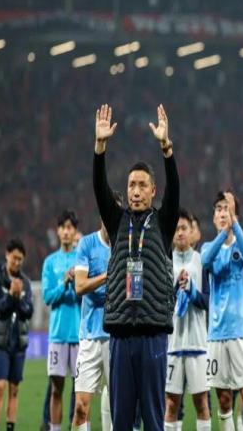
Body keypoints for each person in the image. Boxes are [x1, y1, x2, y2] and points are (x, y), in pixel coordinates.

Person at [93, 104, 179, 431]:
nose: (136, 191)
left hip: (153, 335)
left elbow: (175, 189)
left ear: (153, 190)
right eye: (131, 185)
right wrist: (100, 148)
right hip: (120, 336)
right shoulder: (117, 222)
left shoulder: (164, 223)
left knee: (155, 422)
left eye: (143, 185)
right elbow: (99, 189)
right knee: (121, 422)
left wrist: (166, 149)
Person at [201, 191, 243, 431]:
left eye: (227, 208)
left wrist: (234, 225)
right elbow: (205, 261)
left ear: (234, 214)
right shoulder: (209, 247)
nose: (222, 213)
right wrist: (224, 232)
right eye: (218, 208)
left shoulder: (242, 245)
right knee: (224, 400)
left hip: (240, 332)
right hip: (217, 334)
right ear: (213, 216)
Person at [72, 195, 122, 431]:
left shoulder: (127, 246)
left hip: (117, 337)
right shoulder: (87, 244)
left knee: (119, 406)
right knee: (81, 407)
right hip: (90, 337)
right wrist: (107, 276)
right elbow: (80, 286)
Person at [164, 209, 210, 431]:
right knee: (171, 404)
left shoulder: (202, 262)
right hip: (172, 344)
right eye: (176, 229)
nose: (180, 233)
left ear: (192, 231)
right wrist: (175, 287)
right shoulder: (165, 263)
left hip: (198, 344)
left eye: (184, 228)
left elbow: (208, 301)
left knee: (201, 403)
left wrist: (191, 290)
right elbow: (161, 303)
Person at [0, 238, 34, 431]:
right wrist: (11, 296)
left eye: (20, 259)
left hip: (18, 342)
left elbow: (28, 311)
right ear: (7, 255)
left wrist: (18, 298)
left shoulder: (26, 283)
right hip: (0, 342)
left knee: (14, 389)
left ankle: (10, 428)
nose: (17, 262)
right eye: (14, 258)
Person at [41, 210, 81, 431]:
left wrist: (76, 284)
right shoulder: (50, 262)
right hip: (57, 336)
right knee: (56, 390)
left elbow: (84, 295)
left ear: (75, 232)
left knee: (80, 391)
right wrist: (64, 283)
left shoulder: (81, 259)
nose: (66, 231)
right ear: (58, 231)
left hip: (79, 335)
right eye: (63, 227)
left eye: (70, 228)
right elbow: (48, 297)